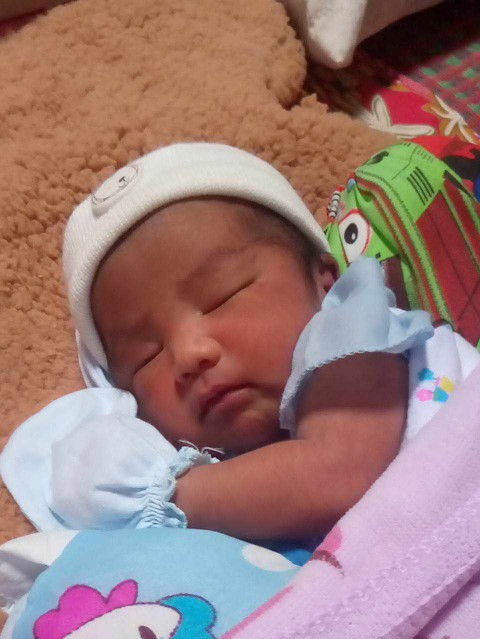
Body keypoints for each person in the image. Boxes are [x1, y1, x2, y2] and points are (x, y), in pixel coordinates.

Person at [3, 143, 478, 543]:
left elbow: (337, 473)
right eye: (145, 356)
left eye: (222, 295)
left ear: (324, 280)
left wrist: (164, 499)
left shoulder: (352, 330)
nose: (189, 354)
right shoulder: (211, 465)